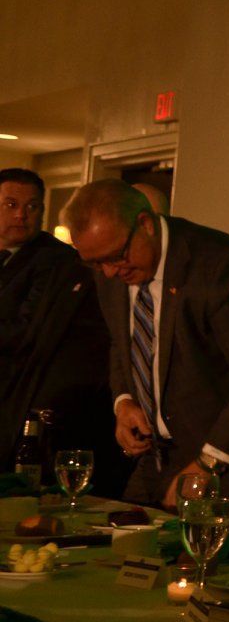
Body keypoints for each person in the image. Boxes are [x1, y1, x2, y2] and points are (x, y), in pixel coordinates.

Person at [63, 180, 229, 511]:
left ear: (145, 224)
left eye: (116, 256)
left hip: (228, 457)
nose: (110, 272)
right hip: (156, 457)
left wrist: (208, 463)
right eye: (96, 263)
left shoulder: (219, 264)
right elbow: (121, 341)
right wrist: (124, 402)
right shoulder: (110, 267)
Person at [0, 169, 114, 486]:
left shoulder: (57, 261)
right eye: (10, 205)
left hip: (26, 396)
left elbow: (28, 330)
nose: (22, 215)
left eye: (32, 206)